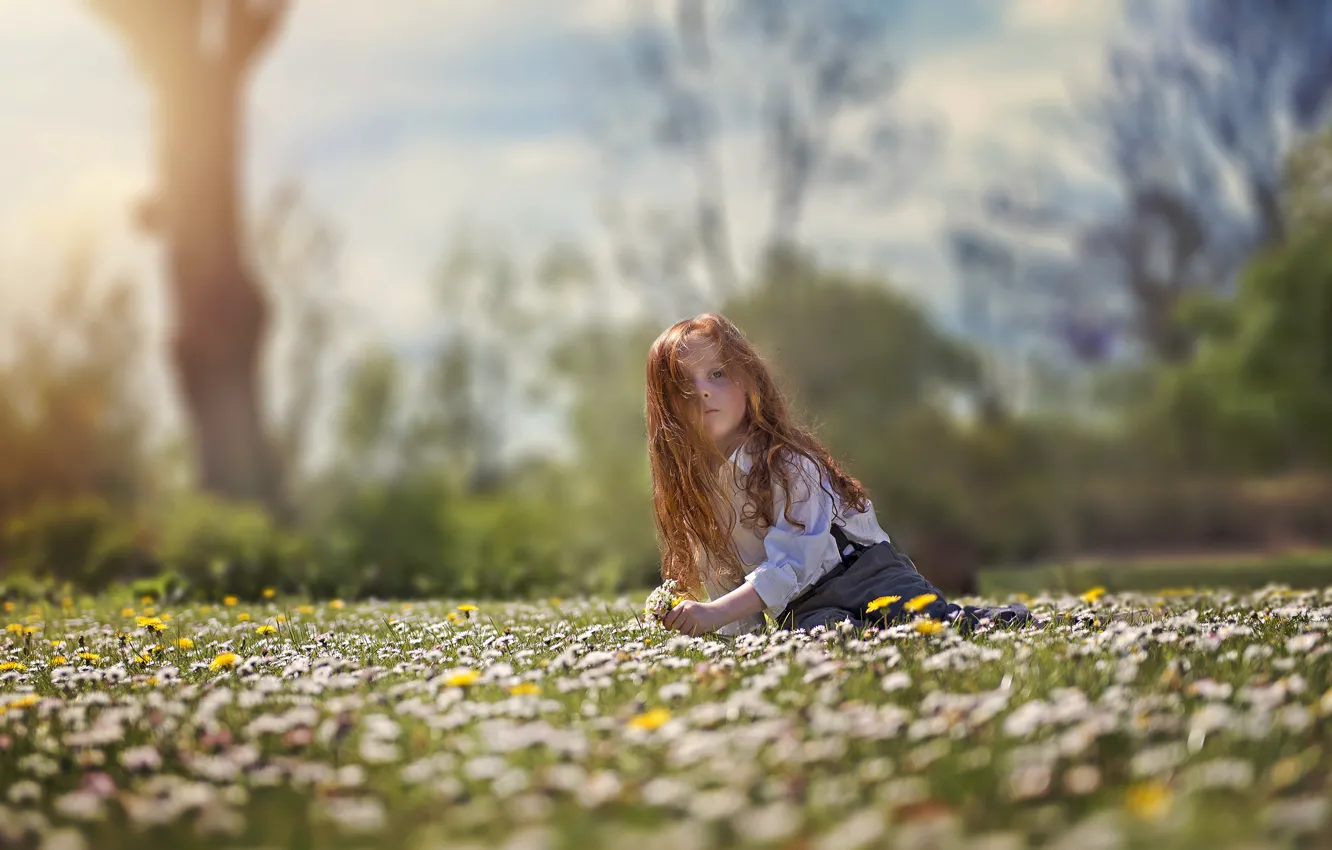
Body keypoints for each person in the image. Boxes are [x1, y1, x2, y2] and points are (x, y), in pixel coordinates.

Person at [644, 313, 1030, 638]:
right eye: (683, 385)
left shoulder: (787, 463)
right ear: (667, 409)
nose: (703, 393)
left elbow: (794, 562)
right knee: (827, 638)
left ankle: (1011, 619)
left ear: (747, 381)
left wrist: (713, 614)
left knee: (930, 626)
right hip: (802, 607)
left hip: (867, 575)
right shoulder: (700, 495)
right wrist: (734, 640)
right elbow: (725, 580)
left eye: (716, 374)